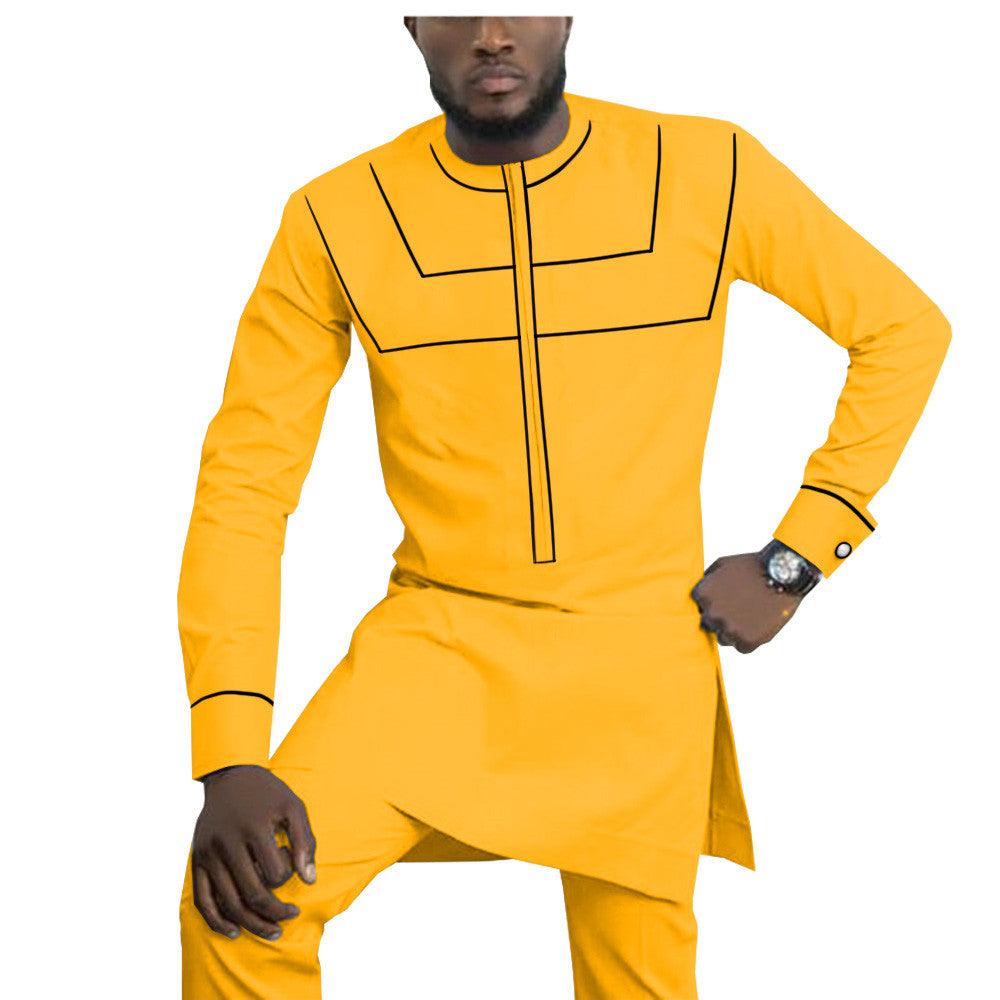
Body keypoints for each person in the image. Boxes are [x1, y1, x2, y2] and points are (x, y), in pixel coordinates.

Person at [176, 15, 951, 999]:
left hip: (638, 669)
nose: (492, 32)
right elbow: (245, 485)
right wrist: (229, 752)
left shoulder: (705, 167)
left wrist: (794, 560)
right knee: (241, 905)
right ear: (409, 23)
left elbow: (902, 329)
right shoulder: (336, 215)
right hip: (436, 654)